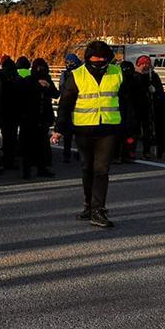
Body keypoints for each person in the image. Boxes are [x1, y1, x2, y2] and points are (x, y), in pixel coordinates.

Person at [52, 40, 133, 229]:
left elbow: (126, 102)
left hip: (109, 129)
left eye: (103, 59)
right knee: (87, 168)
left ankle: (98, 210)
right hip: (84, 129)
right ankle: (89, 205)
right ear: (88, 58)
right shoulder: (77, 75)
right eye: (95, 58)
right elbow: (65, 104)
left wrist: (127, 127)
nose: (99, 61)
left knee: (101, 170)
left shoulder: (117, 73)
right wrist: (59, 129)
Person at [18, 58, 57, 180]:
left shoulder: (47, 80)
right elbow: (21, 97)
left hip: (43, 117)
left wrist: (47, 86)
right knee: (28, 145)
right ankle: (27, 170)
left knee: (42, 144)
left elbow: (56, 94)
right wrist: (38, 85)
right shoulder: (28, 81)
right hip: (29, 117)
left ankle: (42, 168)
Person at [134, 55, 165, 159]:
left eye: (147, 64)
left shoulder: (153, 76)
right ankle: (130, 150)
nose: (145, 66)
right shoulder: (134, 76)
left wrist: (155, 91)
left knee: (148, 130)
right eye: (143, 64)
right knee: (134, 130)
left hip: (149, 108)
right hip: (136, 107)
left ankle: (147, 150)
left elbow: (160, 92)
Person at [0, 57, 21, 169]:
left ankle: (6, 157)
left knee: (6, 134)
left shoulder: (0, 77)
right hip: (15, 110)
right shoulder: (18, 78)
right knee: (11, 135)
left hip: (3, 109)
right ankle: (11, 157)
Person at [58, 53, 82, 162]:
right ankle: (69, 153)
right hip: (73, 105)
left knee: (73, 133)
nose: (68, 65)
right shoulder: (67, 74)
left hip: (74, 105)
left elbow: (62, 89)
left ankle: (70, 153)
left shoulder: (76, 73)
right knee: (72, 132)